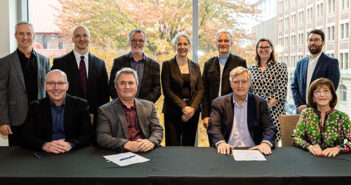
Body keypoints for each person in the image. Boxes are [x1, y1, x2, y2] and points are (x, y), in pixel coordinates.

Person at [0, 21, 50, 146]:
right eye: (21, 34)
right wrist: (3, 121)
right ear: (15, 36)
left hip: (41, 118)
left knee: (40, 156)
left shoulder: (45, 61)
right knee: (17, 159)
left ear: (33, 36)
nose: (25, 37)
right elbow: (1, 93)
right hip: (16, 119)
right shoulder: (5, 62)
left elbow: (50, 90)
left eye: (28, 33)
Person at [207, 67, 276, 155]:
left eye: (244, 81)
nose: (240, 86)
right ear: (231, 84)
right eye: (236, 82)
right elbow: (214, 127)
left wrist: (265, 143)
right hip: (228, 150)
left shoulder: (260, 102)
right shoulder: (219, 103)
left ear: (250, 83)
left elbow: (269, 127)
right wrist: (221, 143)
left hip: (253, 150)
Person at [21, 70, 92, 153]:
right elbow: (25, 137)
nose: (56, 87)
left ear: (67, 86)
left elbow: (89, 135)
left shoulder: (81, 105)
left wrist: (71, 144)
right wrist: (44, 145)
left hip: (73, 153)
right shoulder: (35, 107)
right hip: (44, 155)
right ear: (45, 86)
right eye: (51, 83)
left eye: (61, 83)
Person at [52, 25, 109, 124]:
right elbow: (53, 90)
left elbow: (105, 95)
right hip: (68, 117)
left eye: (85, 35)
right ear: (73, 39)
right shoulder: (60, 63)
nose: (82, 39)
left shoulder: (100, 63)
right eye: (78, 36)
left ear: (89, 38)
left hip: (94, 118)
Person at [96, 68, 163, 152]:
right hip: (120, 154)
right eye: (122, 83)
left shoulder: (149, 106)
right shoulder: (105, 110)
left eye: (131, 83)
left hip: (146, 152)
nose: (127, 87)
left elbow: (157, 130)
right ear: (116, 87)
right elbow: (102, 137)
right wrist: (126, 144)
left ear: (137, 86)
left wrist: (151, 142)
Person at [161, 32, 204, 146]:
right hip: (173, 112)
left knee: (188, 146)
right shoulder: (167, 65)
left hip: (192, 113)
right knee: (172, 147)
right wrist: (183, 108)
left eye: (185, 44)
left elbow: (200, 89)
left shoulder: (195, 66)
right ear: (174, 46)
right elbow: (167, 90)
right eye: (179, 44)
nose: (182, 47)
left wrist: (192, 109)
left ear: (189, 46)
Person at [292, 78, 351, 157]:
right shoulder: (306, 113)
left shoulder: (342, 117)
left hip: (334, 159)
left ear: (331, 96)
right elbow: (296, 137)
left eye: (326, 91)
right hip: (310, 158)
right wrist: (309, 147)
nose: (322, 95)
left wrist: (338, 148)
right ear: (313, 98)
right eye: (317, 92)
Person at [202, 30, 247, 129]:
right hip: (213, 112)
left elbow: (244, 89)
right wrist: (205, 115)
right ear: (216, 43)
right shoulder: (208, 64)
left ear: (231, 43)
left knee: (231, 143)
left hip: (234, 111)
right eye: (220, 41)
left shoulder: (239, 62)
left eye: (226, 41)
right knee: (214, 142)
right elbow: (204, 92)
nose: (223, 44)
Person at [291, 29, 340, 113]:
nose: (313, 43)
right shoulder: (300, 63)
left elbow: (330, 89)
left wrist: (308, 107)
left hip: (321, 112)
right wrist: (300, 106)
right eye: (310, 40)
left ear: (323, 43)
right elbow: (294, 87)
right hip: (301, 112)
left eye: (316, 40)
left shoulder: (331, 62)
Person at [248, 38, 288, 142]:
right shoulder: (251, 69)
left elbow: (280, 92)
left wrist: (264, 108)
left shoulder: (280, 67)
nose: (264, 49)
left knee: (270, 145)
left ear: (271, 49)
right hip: (254, 113)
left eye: (267, 47)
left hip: (273, 113)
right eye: (261, 47)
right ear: (257, 49)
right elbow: (249, 92)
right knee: (254, 144)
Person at [109, 29, 161, 103]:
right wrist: (124, 103)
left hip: (145, 109)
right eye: (134, 40)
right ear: (129, 42)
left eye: (140, 40)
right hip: (121, 109)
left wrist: (141, 105)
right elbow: (112, 86)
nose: (137, 43)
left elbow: (157, 89)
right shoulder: (118, 62)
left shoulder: (154, 65)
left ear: (145, 43)